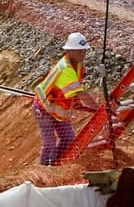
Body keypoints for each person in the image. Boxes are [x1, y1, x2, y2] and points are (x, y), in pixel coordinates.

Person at [32, 32, 99, 165]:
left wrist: (76, 102)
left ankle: (57, 163)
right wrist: (98, 108)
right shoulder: (66, 69)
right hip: (44, 108)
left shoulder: (77, 66)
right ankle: (44, 168)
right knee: (49, 143)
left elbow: (74, 89)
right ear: (70, 51)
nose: (83, 54)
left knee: (68, 139)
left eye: (84, 51)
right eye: (80, 52)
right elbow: (81, 93)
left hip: (56, 109)